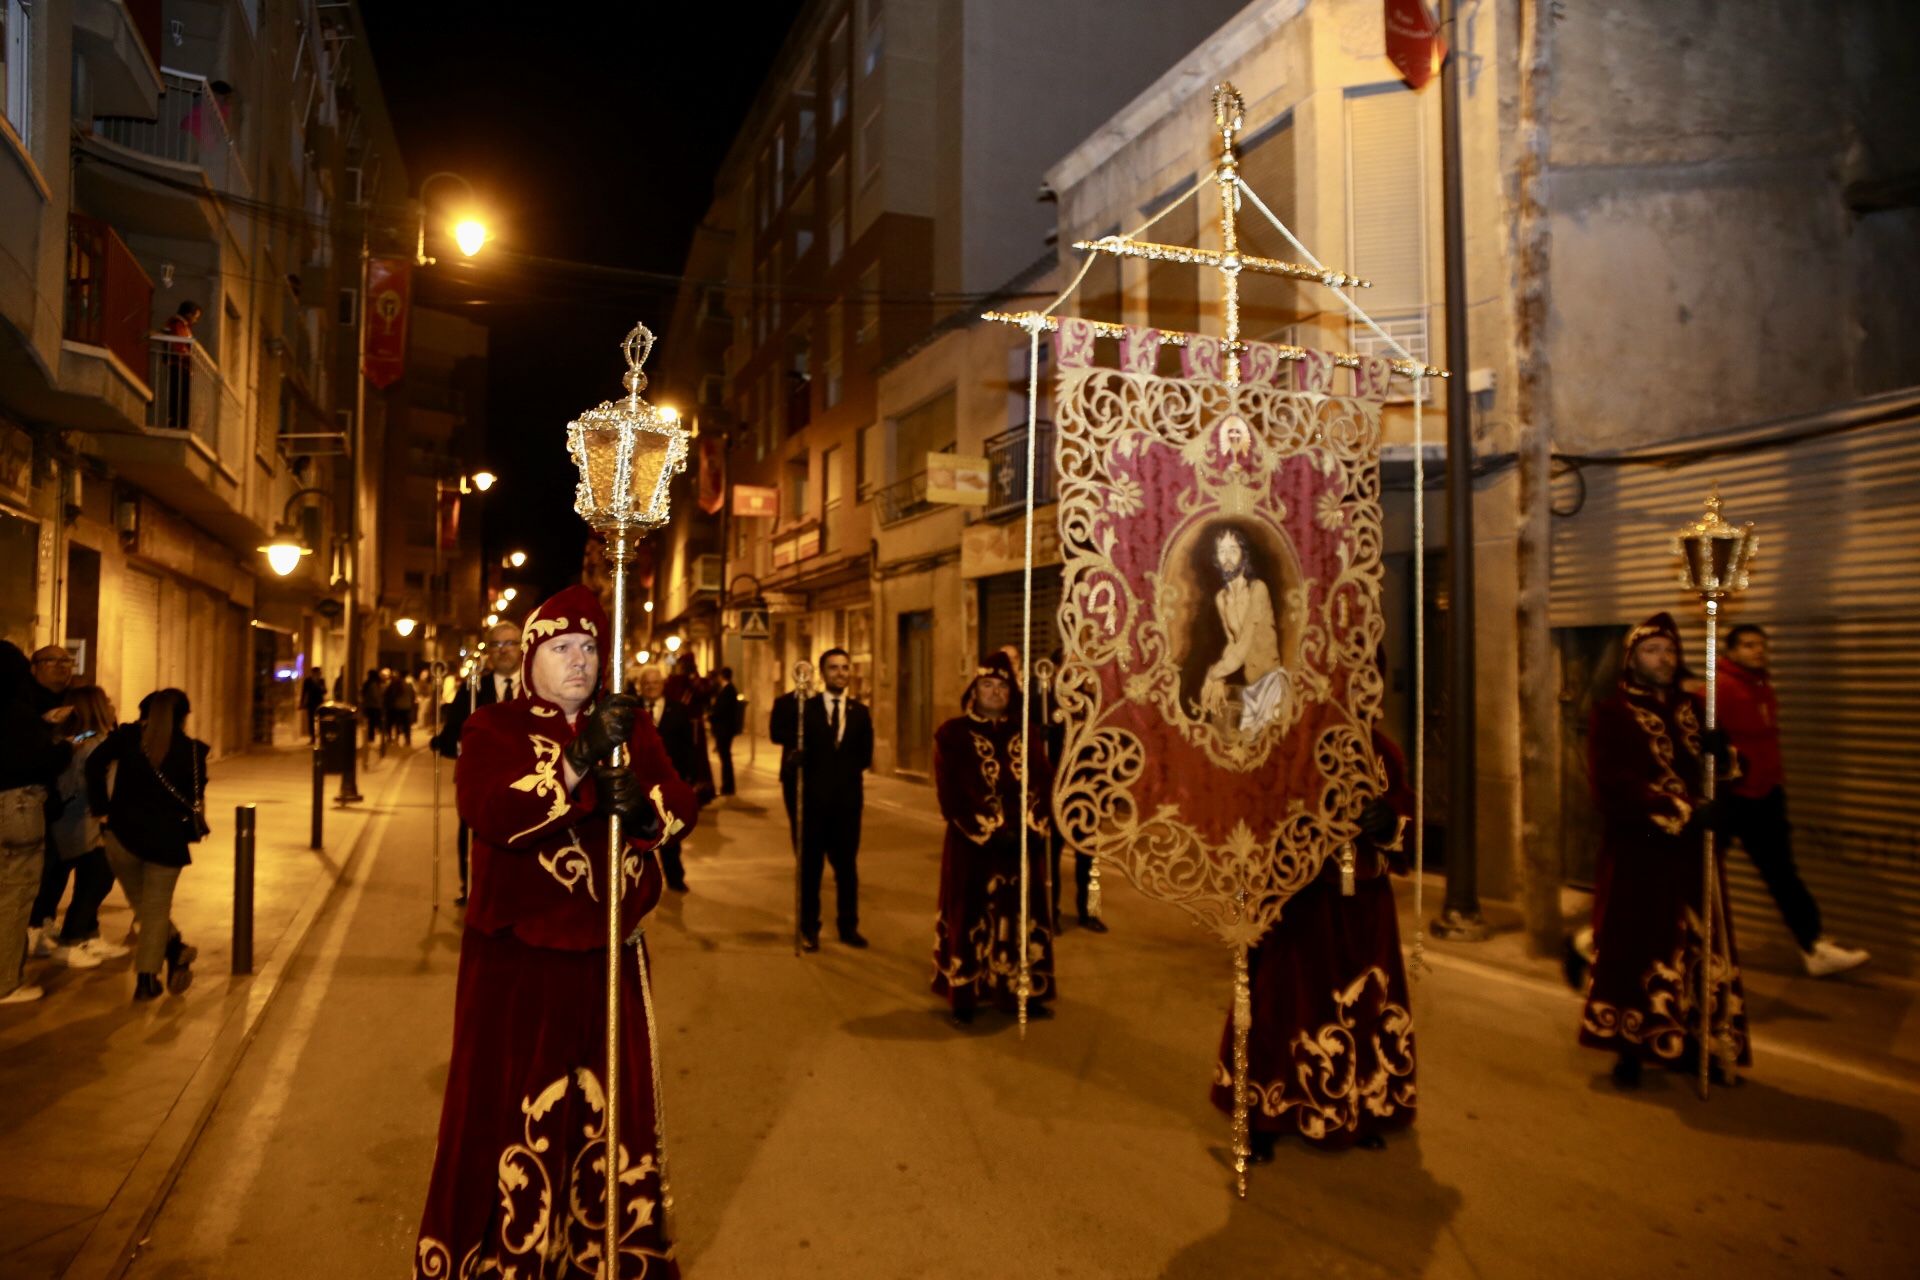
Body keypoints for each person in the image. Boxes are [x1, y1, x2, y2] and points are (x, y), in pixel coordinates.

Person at [414, 585, 695, 1278]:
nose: (579, 662)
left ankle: (603, 1253)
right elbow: (492, 811)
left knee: (607, 1113)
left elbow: (680, 807)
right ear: (534, 656)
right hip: (518, 960)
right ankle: (504, 1257)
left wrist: (643, 814)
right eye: (563, 648)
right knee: (512, 1111)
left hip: (609, 959)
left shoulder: (630, 726)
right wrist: (577, 766)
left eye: (591, 648)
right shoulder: (494, 727)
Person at [1210, 729, 1416, 1157]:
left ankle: (1359, 1106)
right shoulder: (1286, 743)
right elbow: (1255, 810)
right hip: (1299, 897)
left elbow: (1403, 809)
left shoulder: (1383, 750)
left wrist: (1390, 822)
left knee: (1364, 1004)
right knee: (1283, 1003)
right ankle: (1265, 1114)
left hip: (1365, 903)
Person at [1579, 612, 1750, 1088]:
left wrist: (1725, 755)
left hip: (1695, 853)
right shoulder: (1610, 713)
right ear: (1631, 659)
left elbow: (1726, 773)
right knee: (1639, 949)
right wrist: (1683, 809)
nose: (1665, 659)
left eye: (1671, 651)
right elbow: (1612, 785)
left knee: (1701, 948)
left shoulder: (1695, 709)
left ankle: (1702, 1044)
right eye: (1654, 650)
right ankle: (1630, 1046)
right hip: (1641, 851)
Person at [1715, 624, 1868, 977]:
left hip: (1766, 795)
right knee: (1696, 872)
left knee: (1782, 874)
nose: (1758, 651)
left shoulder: (1761, 685)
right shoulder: (1722, 688)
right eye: (1749, 645)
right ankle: (1651, 936)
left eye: (1762, 645)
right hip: (1734, 798)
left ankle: (1813, 946)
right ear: (1732, 651)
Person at [932, 652, 1057, 1026]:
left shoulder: (1028, 732)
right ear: (975, 689)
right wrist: (986, 829)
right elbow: (950, 792)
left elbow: (1043, 780)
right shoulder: (952, 734)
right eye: (987, 685)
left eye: (1003, 686)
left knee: (1023, 916)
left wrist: (1033, 824)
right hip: (972, 844)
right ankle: (965, 993)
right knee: (969, 914)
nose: (995, 692)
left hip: (1022, 843)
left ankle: (1023, 989)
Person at [87, 688, 208, 1001]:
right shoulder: (193, 751)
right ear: (184, 716)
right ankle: (146, 979)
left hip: (120, 837)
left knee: (144, 905)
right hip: (166, 842)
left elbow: (93, 764)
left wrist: (101, 807)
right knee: (154, 910)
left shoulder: (126, 738)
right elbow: (194, 800)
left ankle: (175, 948)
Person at [770, 647, 872, 950]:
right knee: (810, 869)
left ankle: (848, 926)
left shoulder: (860, 712)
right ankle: (809, 928)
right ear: (822, 673)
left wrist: (842, 774)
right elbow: (779, 733)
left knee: (846, 868)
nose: (840, 673)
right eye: (833, 668)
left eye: (844, 668)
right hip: (813, 804)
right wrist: (800, 685)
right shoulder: (805, 709)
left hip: (847, 805)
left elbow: (864, 756)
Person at [34, 687, 128, 969]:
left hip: (74, 820)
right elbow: (82, 786)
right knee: (96, 878)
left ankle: (87, 934)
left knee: (81, 877)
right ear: (96, 708)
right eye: (108, 701)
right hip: (82, 820)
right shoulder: (92, 745)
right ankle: (73, 939)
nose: (113, 706)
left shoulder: (68, 740)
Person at [432, 622, 522, 906]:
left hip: (526, 781)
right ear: (489, 653)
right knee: (472, 833)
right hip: (481, 783)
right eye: (496, 645)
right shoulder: (472, 690)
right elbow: (450, 735)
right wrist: (455, 744)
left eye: (511, 643)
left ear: (523, 648)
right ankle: (471, 886)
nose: (504, 650)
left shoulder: (538, 687)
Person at [1, 642, 71, 1005]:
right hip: (18, 806)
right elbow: (39, 761)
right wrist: (61, 744)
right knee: (14, 897)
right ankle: (5, 984)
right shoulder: (18, 713)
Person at [1198, 527, 1285, 734]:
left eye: (1233, 550)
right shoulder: (1222, 598)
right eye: (1221, 551)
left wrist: (1213, 674)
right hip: (1249, 688)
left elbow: (1245, 644)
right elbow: (1233, 644)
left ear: (1243, 555)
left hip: (1271, 686)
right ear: (1216, 558)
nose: (1227, 557)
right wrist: (1219, 678)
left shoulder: (1258, 589)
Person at [639, 665, 702, 892]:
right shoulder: (633, 711)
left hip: (669, 784)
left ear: (663, 685)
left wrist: (690, 777)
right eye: (646, 683)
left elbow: (689, 747)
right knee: (639, 834)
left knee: (670, 833)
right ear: (640, 686)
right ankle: (641, 883)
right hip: (640, 784)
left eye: (655, 683)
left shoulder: (679, 711)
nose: (651, 687)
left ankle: (675, 877)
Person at [663, 653, 717, 805]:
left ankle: (699, 790)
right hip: (678, 726)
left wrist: (693, 678)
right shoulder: (674, 681)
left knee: (697, 756)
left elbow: (705, 693)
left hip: (694, 726)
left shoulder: (697, 681)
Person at [160, 301, 202, 429]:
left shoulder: (182, 326)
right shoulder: (177, 324)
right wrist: (189, 357)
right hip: (178, 365)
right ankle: (177, 423)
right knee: (179, 396)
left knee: (183, 397)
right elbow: (179, 346)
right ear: (188, 314)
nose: (195, 320)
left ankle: (181, 422)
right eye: (195, 317)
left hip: (183, 365)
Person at [709, 666, 742, 797]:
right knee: (724, 757)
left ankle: (728, 786)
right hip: (723, 729)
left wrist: (711, 716)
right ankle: (727, 785)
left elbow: (722, 710)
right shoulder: (726, 689)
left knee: (725, 757)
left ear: (722, 676)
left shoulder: (728, 690)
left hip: (725, 729)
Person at [384, 666, 418, 746]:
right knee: (406, 725)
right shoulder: (409, 685)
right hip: (406, 707)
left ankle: (394, 739)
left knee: (395, 724)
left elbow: (389, 695)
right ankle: (407, 740)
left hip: (396, 707)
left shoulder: (394, 684)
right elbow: (413, 696)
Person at [360, 668, 386, 745]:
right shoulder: (374, 684)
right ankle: (372, 738)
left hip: (368, 705)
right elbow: (376, 696)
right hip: (375, 706)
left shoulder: (367, 683)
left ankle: (370, 737)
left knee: (370, 722)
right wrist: (380, 702)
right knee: (374, 723)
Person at [300, 666, 327, 742]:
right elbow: (304, 692)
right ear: (313, 673)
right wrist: (302, 703)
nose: (319, 674)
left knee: (320, 720)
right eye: (318, 673)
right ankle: (312, 737)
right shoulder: (308, 681)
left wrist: (320, 687)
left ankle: (319, 736)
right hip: (311, 703)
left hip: (319, 703)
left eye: (319, 673)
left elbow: (325, 691)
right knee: (311, 721)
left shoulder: (321, 681)